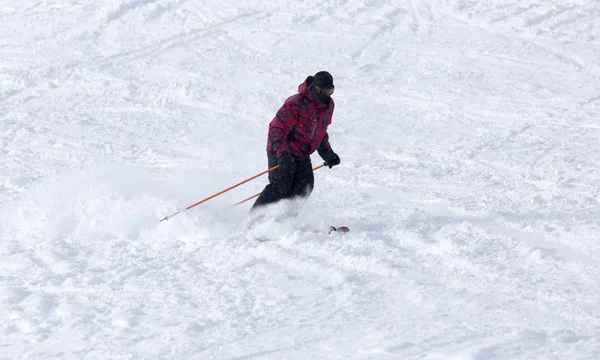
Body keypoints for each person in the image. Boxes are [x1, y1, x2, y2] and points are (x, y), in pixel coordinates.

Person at [250, 71, 341, 217]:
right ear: (313, 88)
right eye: (320, 90)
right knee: (282, 183)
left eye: (329, 91)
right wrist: (282, 154)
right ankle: (254, 220)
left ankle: (284, 221)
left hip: (302, 153)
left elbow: (321, 131)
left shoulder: (328, 106)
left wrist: (327, 153)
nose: (324, 95)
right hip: (281, 149)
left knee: (305, 186)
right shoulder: (297, 103)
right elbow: (276, 128)